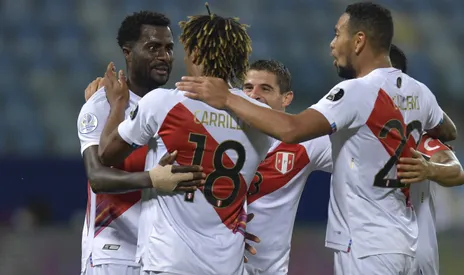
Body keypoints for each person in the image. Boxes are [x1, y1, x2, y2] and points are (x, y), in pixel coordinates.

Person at [176, 2, 458, 274]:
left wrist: (226, 97)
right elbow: (448, 131)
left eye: (337, 34)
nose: (332, 44)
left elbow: (292, 130)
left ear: (358, 41)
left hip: (364, 243)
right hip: (403, 242)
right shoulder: (420, 92)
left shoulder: (355, 92)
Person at [96, 8, 274, 275]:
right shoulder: (263, 120)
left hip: (169, 261)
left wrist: (118, 103)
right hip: (228, 264)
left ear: (195, 53)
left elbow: (107, 155)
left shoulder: (163, 103)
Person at [77, 11, 205, 275]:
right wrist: (153, 178)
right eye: (153, 47)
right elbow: (98, 177)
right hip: (113, 252)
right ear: (128, 52)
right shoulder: (100, 106)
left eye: (169, 48)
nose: (164, 57)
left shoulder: (178, 105)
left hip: (164, 255)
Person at [241, 59, 333, 274]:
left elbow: (362, 159)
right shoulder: (218, 135)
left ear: (286, 98)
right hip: (217, 263)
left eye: (265, 89)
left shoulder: (305, 142)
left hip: (268, 270)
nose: (254, 95)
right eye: (248, 88)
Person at [390, 45, 464, 275]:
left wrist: (429, 169)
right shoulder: (357, 135)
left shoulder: (418, 137)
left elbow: (457, 172)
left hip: (416, 258)